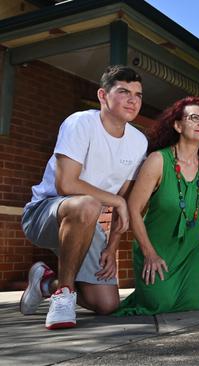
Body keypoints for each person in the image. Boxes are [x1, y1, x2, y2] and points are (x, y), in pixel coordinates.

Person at [19, 65, 148, 329]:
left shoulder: (138, 141)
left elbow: (122, 197)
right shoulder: (80, 123)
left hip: (87, 224)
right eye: (123, 91)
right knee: (88, 204)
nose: (133, 99)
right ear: (103, 95)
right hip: (44, 214)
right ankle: (64, 294)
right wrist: (117, 201)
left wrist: (111, 248)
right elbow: (66, 183)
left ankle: (46, 282)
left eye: (138, 94)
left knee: (106, 304)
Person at [112, 96, 199, 316]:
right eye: (194, 118)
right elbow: (133, 209)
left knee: (195, 301)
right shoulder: (158, 160)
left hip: (188, 253)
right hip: (156, 250)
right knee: (159, 304)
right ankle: (144, 292)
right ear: (177, 125)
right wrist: (149, 253)